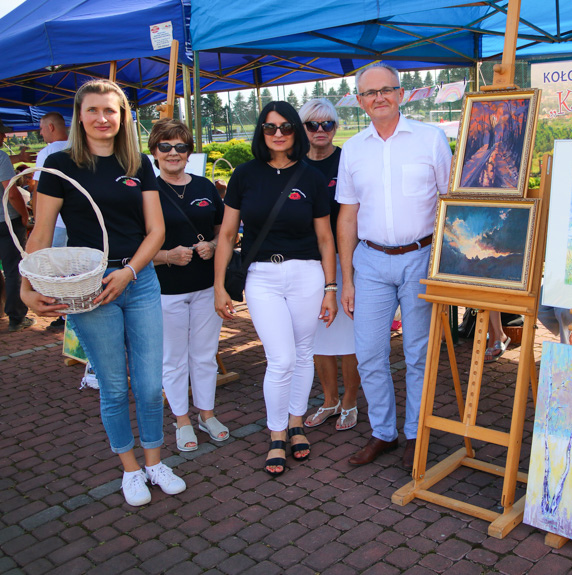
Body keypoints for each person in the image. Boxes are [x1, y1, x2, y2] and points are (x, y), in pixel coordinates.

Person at [22, 79, 184, 507]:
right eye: (93, 110)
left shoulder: (138, 163)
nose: (102, 118)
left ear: (123, 116)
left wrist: (130, 272)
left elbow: (157, 231)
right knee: (114, 386)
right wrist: (25, 287)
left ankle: (154, 461)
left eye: (110, 111)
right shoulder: (60, 165)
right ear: (80, 115)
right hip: (88, 288)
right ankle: (130, 469)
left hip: (139, 280)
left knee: (150, 386)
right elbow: (40, 233)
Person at [213, 100, 337, 477]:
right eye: (270, 127)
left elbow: (325, 237)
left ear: (295, 132)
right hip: (262, 277)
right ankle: (276, 432)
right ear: (261, 132)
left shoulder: (311, 177)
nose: (279, 133)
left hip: (307, 274)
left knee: (302, 353)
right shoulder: (246, 175)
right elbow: (227, 235)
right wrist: (219, 286)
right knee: (281, 359)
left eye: (286, 127)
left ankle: (296, 423)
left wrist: (331, 287)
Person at [337, 63, 452, 469]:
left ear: (402, 94)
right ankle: (383, 433)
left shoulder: (431, 139)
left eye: (386, 89)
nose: (379, 97)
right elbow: (347, 216)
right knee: (368, 353)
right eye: (370, 93)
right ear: (360, 101)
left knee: (419, 353)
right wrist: (345, 279)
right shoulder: (353, 148)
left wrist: (445, 264)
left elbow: (450, 203)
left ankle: (416, 436)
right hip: (369, 261)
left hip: (421, 257)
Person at [149, 119, 228, 452]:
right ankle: (181, 419)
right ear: (154, 151)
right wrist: (166, 255)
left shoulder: (205, 187)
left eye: (180, 146)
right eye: (165, 146)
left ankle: (206, 414)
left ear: (189, 151)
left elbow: (224, 230)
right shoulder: (146, 191)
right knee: (173, 359)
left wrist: (212, 243)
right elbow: (135, 248)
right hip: (166, 289)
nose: (173, 153)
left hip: (207, 285)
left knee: (205, 355)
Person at [299, 98, 362, 432]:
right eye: (312, 124)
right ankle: (329, 399)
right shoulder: (294, 164)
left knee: (350, 333)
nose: (320, 130)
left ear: (336, 127)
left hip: (347, 258)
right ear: (302, 128)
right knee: (319, 333)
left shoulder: (348, 159)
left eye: (328, 124)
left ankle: (350, 399)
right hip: (309, 261)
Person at [33, 112, 71, 329]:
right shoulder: (79, 147)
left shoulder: (47, 153)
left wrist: (39, 220)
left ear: (51, 127)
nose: (40, 133)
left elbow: (38, 189)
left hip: (56, 223)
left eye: (41, 128)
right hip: (77, 223)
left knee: (58, 271)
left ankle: (63, 315)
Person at [0, 122, 34, 332]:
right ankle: (16, 317)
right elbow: (11, 193)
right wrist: (24, 215)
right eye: (1, 132)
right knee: (14, 269)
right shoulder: (1, 156)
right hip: (6, 222)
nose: (4, 136)